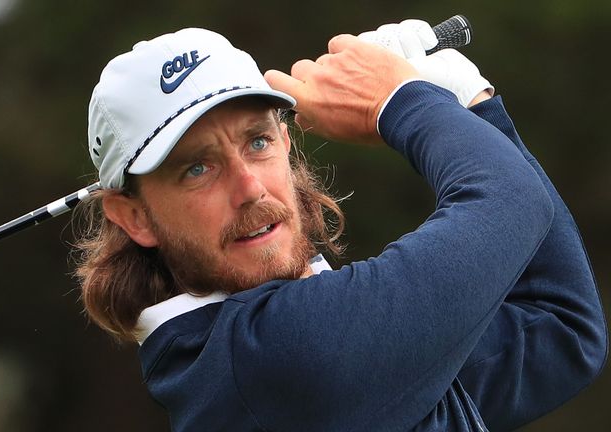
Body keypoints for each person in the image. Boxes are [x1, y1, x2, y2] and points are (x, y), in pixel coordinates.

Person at [74, 20, 607, 432]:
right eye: (198, 168)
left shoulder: (272, 353)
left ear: (287, 142)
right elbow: (511, 201)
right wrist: (403, 101)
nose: (250, 188)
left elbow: (559, 329)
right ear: (134, 216)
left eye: (257, 141)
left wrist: (470, 103)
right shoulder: (268, 360)